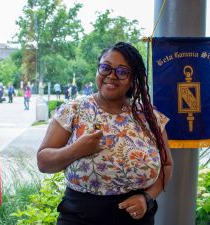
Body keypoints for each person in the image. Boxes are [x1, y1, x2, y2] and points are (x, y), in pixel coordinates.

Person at [37, 42, 173, 225]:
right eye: (105, 68)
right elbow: (43, 162)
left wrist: (147, 198)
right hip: (80, 218)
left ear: (133, 79)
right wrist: (76, 150)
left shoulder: (149, 117)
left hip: (136, 219)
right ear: (97, 70)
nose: (111, 76)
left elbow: (166, 165)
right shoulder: (74, 110)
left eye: (122, 71)